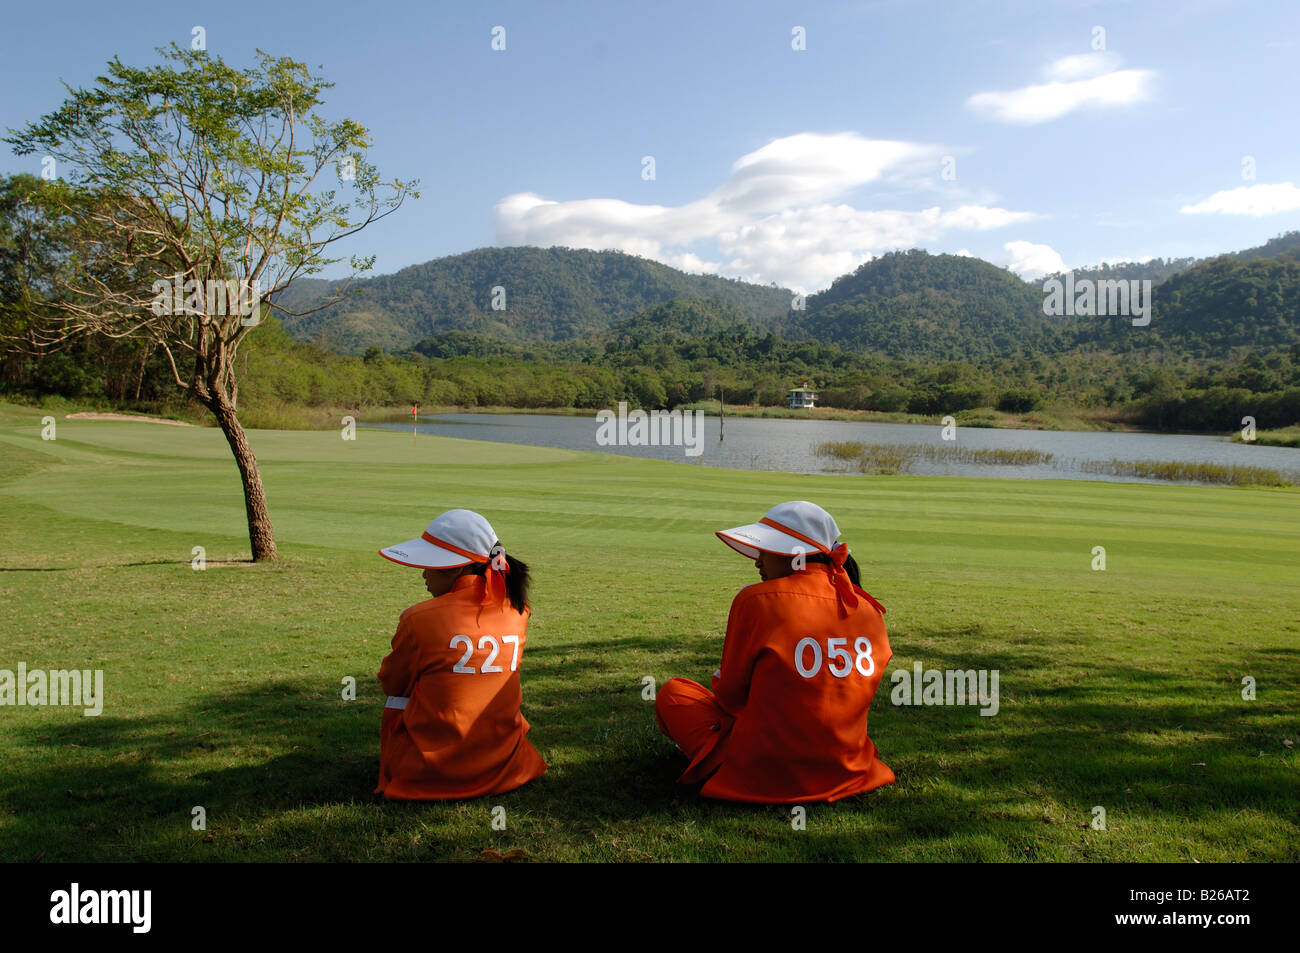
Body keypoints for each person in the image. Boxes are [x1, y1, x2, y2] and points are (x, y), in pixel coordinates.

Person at [654, 500, 894, 803]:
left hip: (763, 771)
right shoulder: (868, 609)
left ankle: (715, 762)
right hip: (847, 768)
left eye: (765, 551)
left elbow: (730, 697)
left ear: (792, 555)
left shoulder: (755, 600)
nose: (757, 561)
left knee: (674, 693)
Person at [374, 508, 546, 800]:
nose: (424, 574)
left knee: (398, 700)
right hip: (506, 766)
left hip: (428, 773)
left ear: (456, 568)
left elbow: (391, 683)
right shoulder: (518, 610)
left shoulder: (418, 618)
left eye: (429, 565)